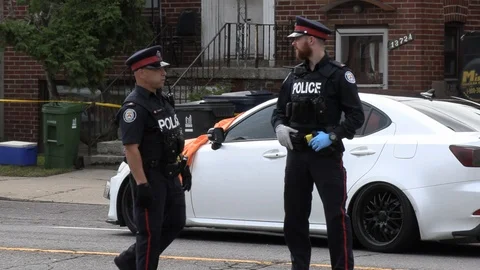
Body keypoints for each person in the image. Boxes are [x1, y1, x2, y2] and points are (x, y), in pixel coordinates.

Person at [271, 16, 365, 270]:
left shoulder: (338, 75)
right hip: (297, 155)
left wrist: (333, 135)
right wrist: (279, 127)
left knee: (336, 217)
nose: (293, 45)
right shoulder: (294, 76)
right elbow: (278, 112)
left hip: (326, 154)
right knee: (294, 218)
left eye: (297, 40)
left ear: (310, 40)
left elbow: (356, 116)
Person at [113, 45, 192, 270]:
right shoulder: (134, 107)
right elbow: (131, 148)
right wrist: (142, 184)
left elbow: (172, 136)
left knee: (176, 221)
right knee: (150, 234)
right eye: (157, 68)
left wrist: (182, 166)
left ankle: (128, 260)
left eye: (162, 68)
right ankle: (135, 262)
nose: (163, 73)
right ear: (141, 73)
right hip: (150, 176)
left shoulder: (162, 100)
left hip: (169, 173)